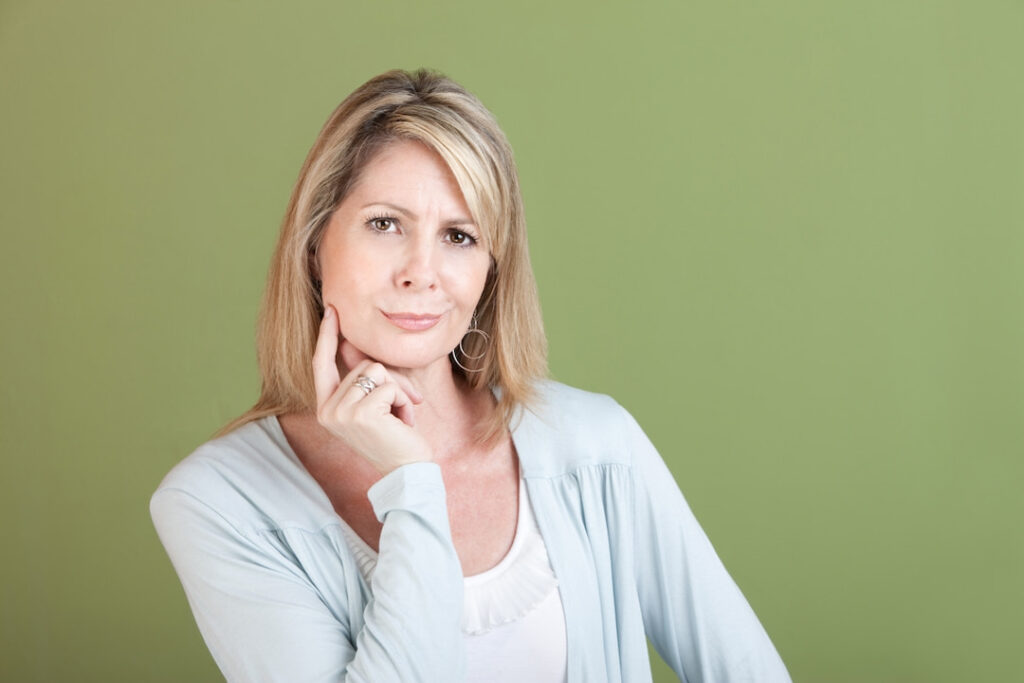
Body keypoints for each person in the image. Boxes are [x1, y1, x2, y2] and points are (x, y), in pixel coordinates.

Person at [151, 69, 791, 683]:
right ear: (315, 245)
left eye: (458, 236)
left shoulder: (597, 447)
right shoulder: (216, 502)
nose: (420, 273)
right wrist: (411, 483)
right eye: (384, 224)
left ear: (491, 267)